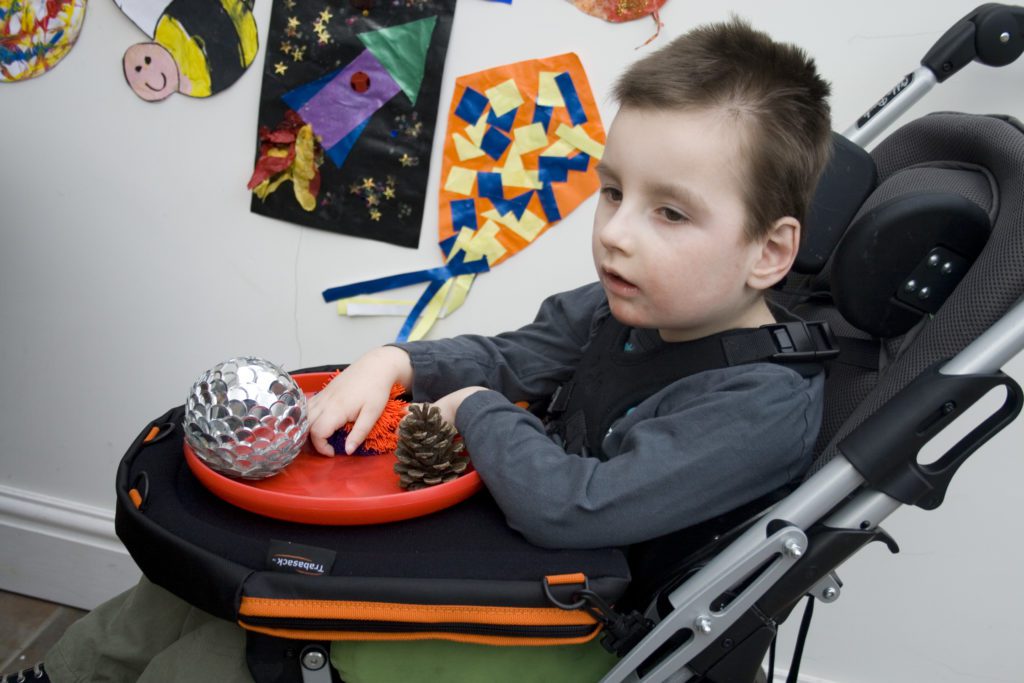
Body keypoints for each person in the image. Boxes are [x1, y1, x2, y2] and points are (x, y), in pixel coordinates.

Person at [6, 16, 832, 683]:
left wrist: (470, 410)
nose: (613, 234)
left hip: (578, 636)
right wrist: (397, 363)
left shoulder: (759, 402)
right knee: (178, 592)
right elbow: (515, 355)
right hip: (516, 569)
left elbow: (575, 504)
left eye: (671, 213)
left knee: (221, 651)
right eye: (613, 191)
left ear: (768, 249)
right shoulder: (628, 308)